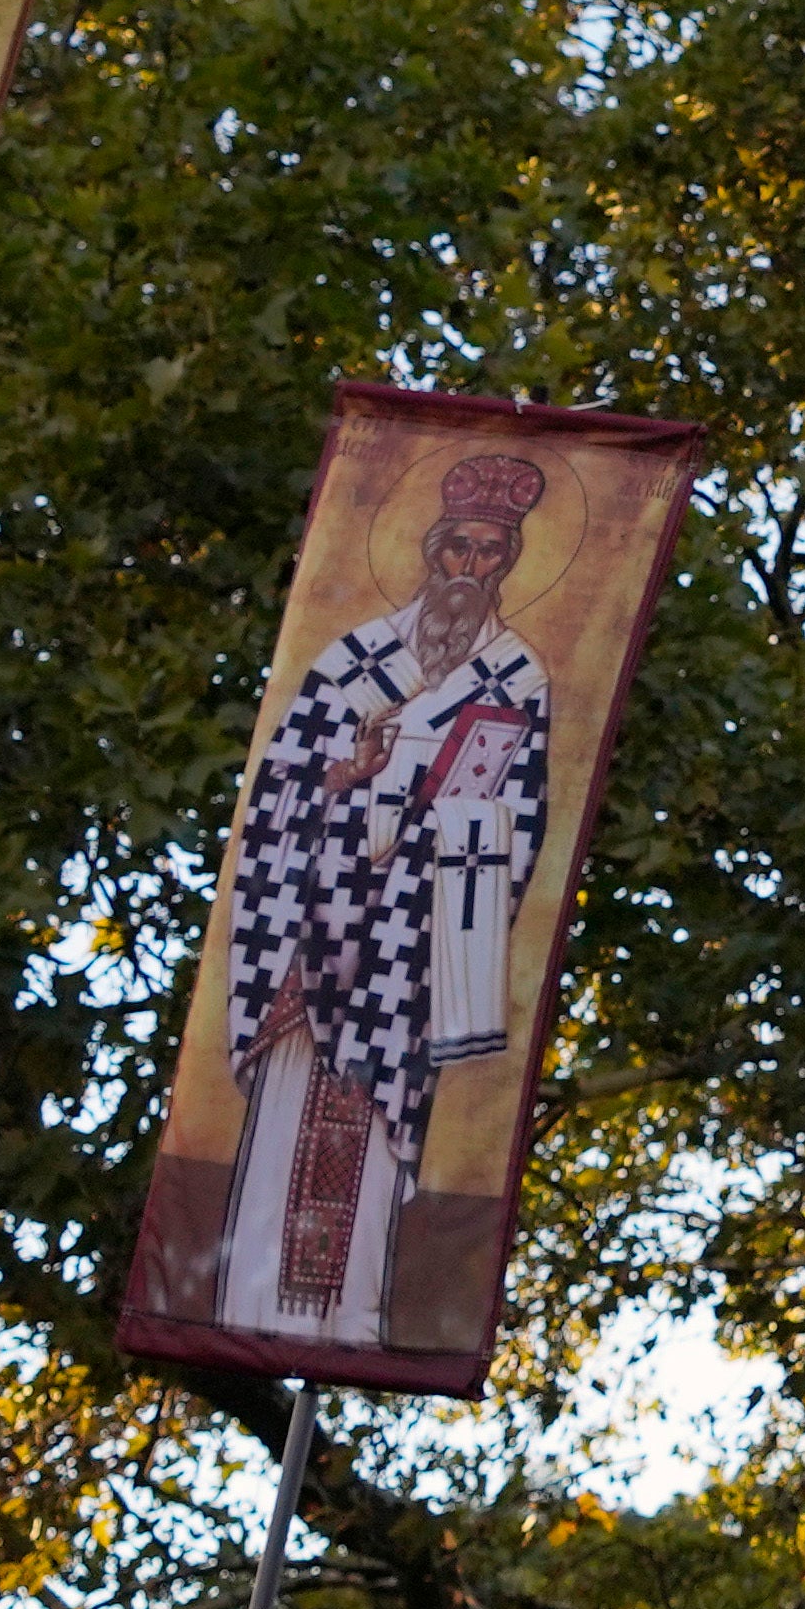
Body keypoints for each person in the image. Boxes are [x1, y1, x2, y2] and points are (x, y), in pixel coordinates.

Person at [190, 437, 560, 1353]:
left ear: (506, 563)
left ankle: (348, 1325)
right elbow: (277, 793)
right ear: (431, 551)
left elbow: (518, 824)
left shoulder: (518, 679)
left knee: (372, 1138)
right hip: (316, 930)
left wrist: (433, 835)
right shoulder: (346, 661)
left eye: (489, 553)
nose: (469, 568)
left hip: (406, 947)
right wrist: (343, 783)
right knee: (288, 1124)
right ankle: (255, 1315)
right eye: (457, 548)